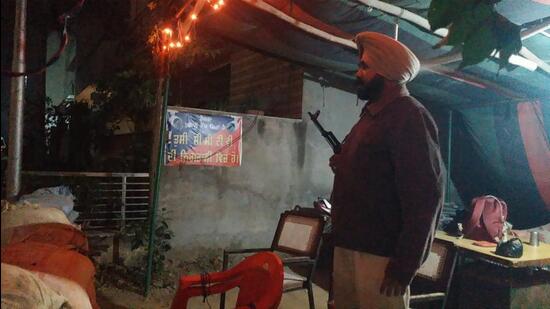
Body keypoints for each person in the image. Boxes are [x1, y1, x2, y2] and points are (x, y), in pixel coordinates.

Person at [329, 31, 445, 309]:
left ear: (388, 73)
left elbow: (426, 196)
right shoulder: (372, 115)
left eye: (365, 67)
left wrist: (404, 265)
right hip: (350, 245)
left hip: (381, 258)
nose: (358, 73)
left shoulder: (410, 116)